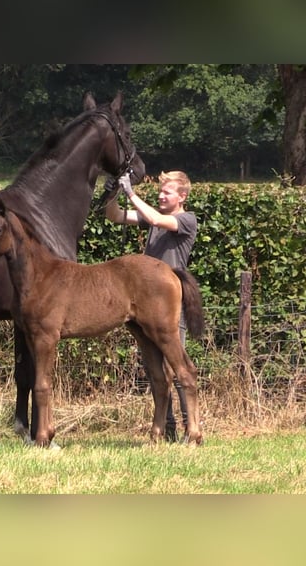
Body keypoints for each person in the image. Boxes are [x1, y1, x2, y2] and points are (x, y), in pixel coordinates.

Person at [105, 170, 197, 442]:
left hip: (168, 301)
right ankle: (167, 428)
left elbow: (156, 218)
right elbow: (115, 216)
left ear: (182, 196)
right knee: (156, 368)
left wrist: (131, 192)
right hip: (146, 300)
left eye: (166, 192)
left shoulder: (185, 220)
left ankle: (189, 425)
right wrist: (114, 193)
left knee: (176, 363)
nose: (160, 195)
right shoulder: (155, 221)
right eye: (160, 191)